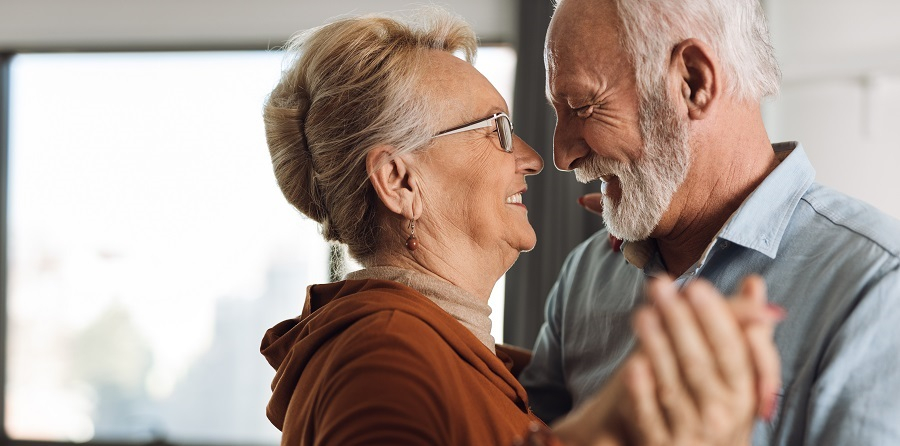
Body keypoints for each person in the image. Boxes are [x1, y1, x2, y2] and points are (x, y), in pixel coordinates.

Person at [258, 9, 781, 446]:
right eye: (497, 131)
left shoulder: (477, 367)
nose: (535, 159)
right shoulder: (385, 363)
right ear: (399, 181)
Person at [520, 0, 900, 445]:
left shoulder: (877, 288)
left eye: (583, 107)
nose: (562, 156)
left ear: (693, 82)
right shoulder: (585, 275)